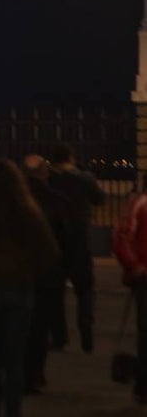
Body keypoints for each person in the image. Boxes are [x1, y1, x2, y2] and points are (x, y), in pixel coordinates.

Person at [0, 160, 59, 417]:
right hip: (19, 289)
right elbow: (49, 252)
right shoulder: (29, 214)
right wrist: (30, 271)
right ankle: (13, 411)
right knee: (14, 359)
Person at [20, 154, 71, 394]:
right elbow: (66, 242)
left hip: (17, 273)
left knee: (18, 325)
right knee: (39, 328)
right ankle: (35, 374)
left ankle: (18, 371)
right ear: (44, 172)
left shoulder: (13, 202)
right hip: (47, 273)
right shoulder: (58, 201)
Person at [47, 142, 104, 352]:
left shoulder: (49, 179)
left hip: (55, 239)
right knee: (85, 289)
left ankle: (59, 336)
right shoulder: (84, 178)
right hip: (80, 238)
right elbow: (100, 199)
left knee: (55, 291)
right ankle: (86, 333)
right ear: (71, 158)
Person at [113, 171, 147, 405]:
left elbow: (122, 237)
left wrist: (134, 266)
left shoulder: (137, 205)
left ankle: (143, 387)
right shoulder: (140, 205)